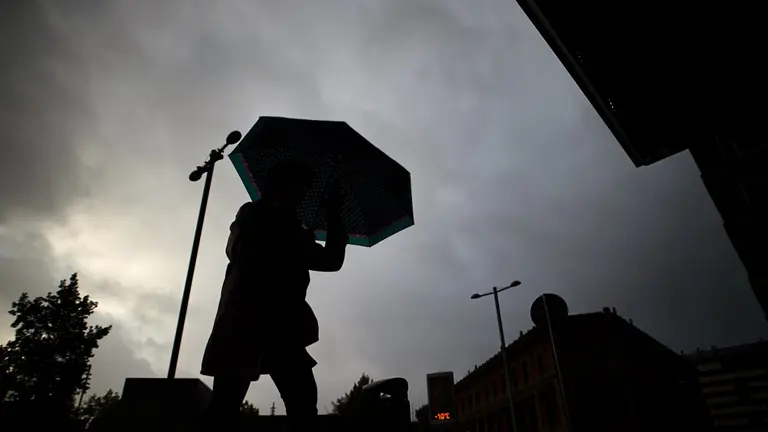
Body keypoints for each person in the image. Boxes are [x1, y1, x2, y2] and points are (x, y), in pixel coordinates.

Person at [199, 160, 347, 431]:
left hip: (284, 327)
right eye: (298, 186)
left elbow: (331, 260)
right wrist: (292, 242)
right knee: (225, 404)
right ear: (279, 185)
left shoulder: (294, 228)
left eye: (304, 189)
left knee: (303, 401)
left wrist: (334, 215)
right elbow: (241, 252)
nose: (302, 195)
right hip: (243, 323)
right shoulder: (252, 214)